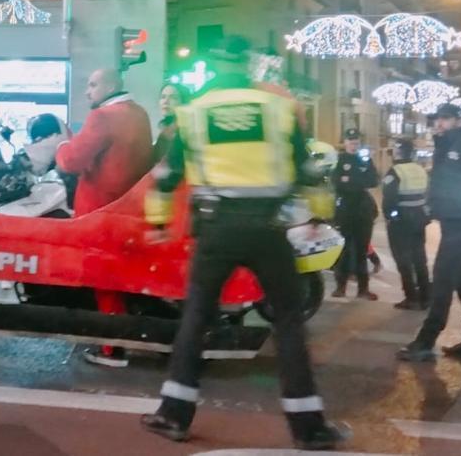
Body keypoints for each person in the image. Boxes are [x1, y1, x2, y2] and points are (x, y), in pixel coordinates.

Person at [140, 36, 349, 449]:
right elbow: (309, 169)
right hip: (268, 229)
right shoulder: (278, 109)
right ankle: (309, 427)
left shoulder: (194, 112)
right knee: (288, 321)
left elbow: (165, 175)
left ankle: (173, 415)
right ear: (248, 65)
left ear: (214, 66)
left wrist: (160, 221)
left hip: (216, 229)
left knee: (197, 317)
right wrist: (320, 214)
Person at [56, 67, 153, 368]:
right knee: (119, 274)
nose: (88, 91)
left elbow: (71, 161)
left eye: (92, 84)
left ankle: (112, 348)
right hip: (130, 207)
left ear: (110, 86)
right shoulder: (139, 114)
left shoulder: (103, 117)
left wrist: (60, 144)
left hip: (99, 210)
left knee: (103, 277)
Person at [398, 103, 461, 362]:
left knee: (442, 278)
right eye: (437, 119)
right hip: (453, 220)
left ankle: (426, 340)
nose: (439, 123)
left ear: (458, 120)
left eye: (445, 119)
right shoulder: (445, 146)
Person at [330, 129, 380, 300]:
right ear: (345, 143)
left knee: (361, 251)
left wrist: (351, 181)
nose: (353, 146)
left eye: (356, 143)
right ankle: (340, 287)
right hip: (345, 211)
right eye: (351, 142)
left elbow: (373, 180)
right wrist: (356, 182)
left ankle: (363, 289)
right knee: (342, 251)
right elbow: (335, 182)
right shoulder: (339, 159)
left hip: (362, 211)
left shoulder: (364, 160)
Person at [383, 138, 431, 310]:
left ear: (397, 152)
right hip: (419, 220)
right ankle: (426, 296)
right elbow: (428, 196)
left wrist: (391, 217)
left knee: (403, 260)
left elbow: (389, 199)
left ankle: (411, 297)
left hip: (401, 222)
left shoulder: (395, 171)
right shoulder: (421, 170)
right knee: (419, 259)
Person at [153, 82, 190, 163]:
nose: (166, 101)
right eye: (163, 97)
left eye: (173, 97)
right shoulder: (165, 128)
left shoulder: (183, 131)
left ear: (183, 102)